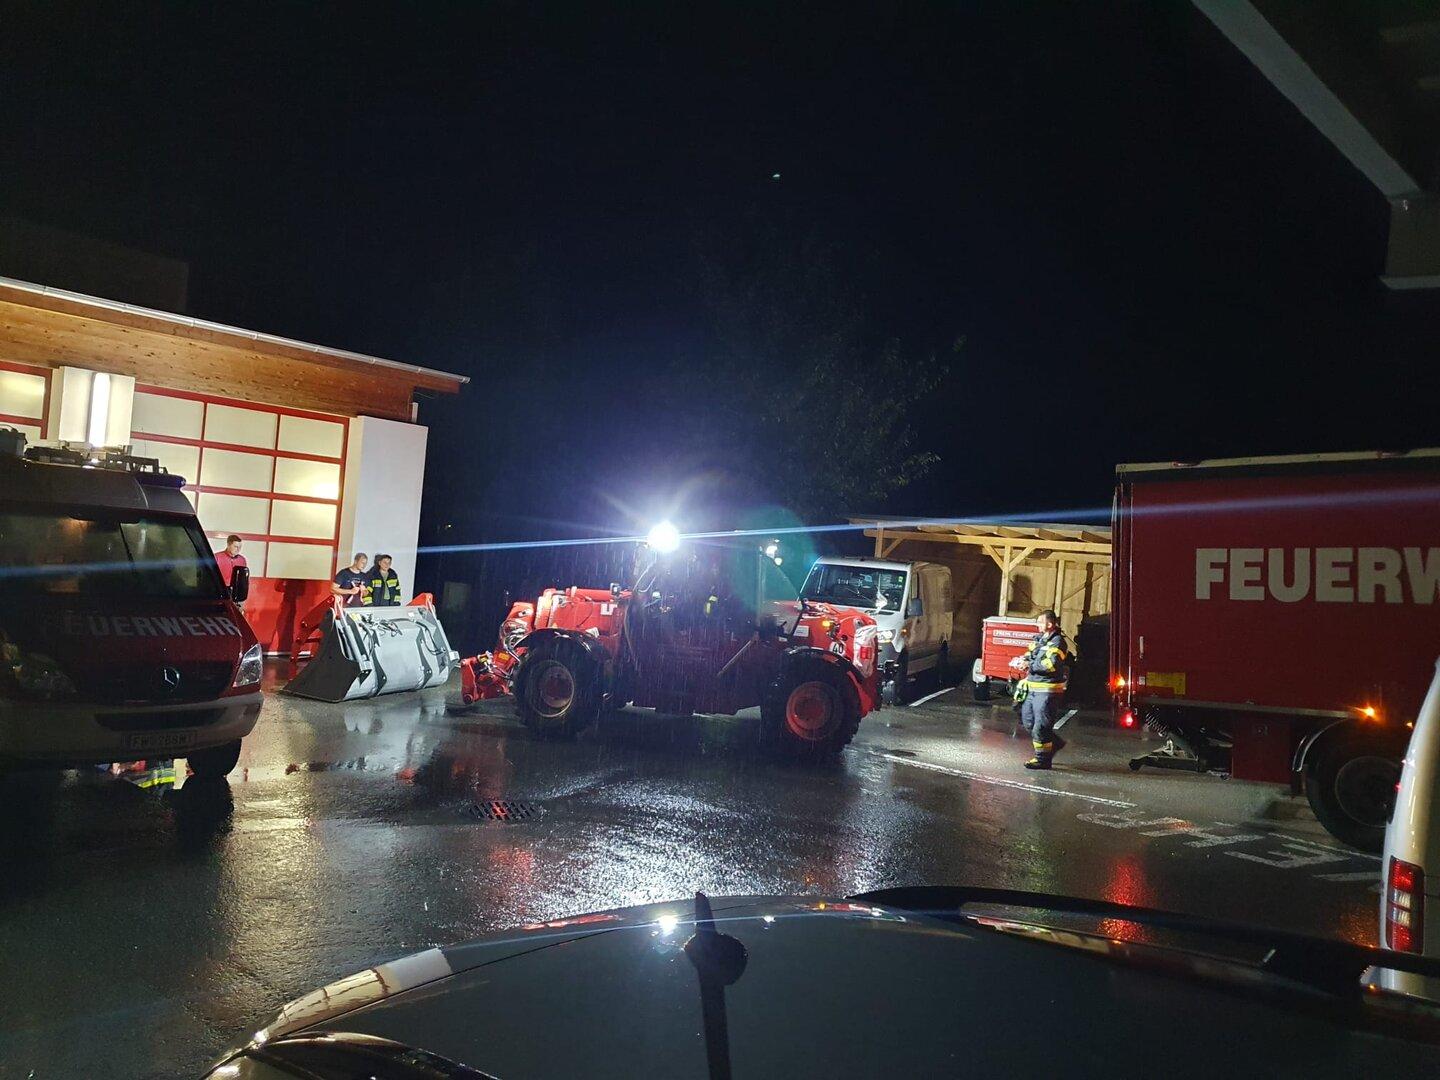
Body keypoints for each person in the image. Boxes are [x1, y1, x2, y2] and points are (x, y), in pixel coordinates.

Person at [1009, 609, 1073, 770]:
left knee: (1041, 726)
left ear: (1050, 624)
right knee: (1028, 721)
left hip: (1047, 691)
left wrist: (1028, 665)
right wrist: (1021, 660)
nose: (1037, 624)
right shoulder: (1039, 639)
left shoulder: (1058, 642)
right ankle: (1055, 743)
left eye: (1040, 621)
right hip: (1032, 687)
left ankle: (1042, 760)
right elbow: (1031, 655)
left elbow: (1050, 665)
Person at [215, 535, 248, 610]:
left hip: (238, 594)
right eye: (236, 546)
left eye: (240, 547)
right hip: (222, 592)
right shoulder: (217, 558)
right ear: (228, 545)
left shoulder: (242, 560)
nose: (238, 549)